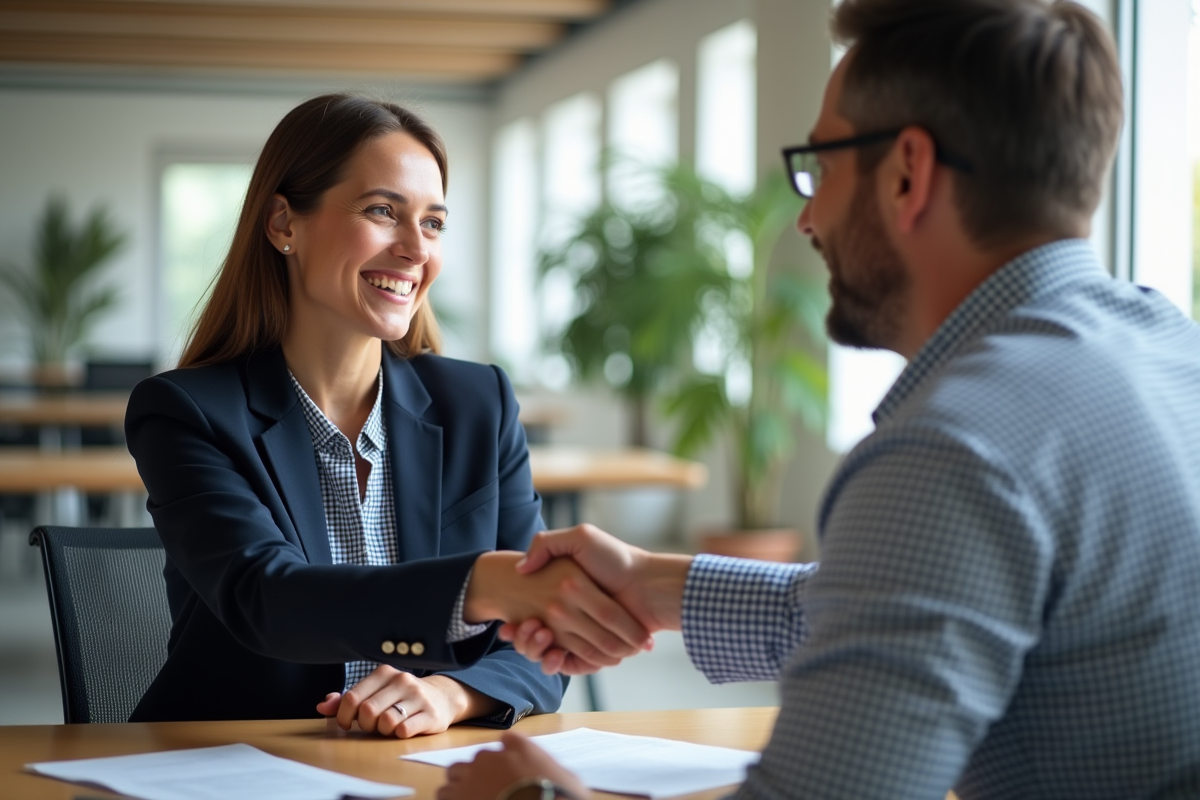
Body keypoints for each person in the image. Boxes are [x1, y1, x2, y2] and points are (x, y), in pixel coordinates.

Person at [438, 0, 1200, 797]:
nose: (806, 216)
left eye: (821, 168)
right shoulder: (1171, 353)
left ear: (908, 172)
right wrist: (656, 583)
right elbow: (919, 611)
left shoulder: (957, 448)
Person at [125, 93, 650, 734]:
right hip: (238, 765)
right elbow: (268, 598)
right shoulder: (186, 412)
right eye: (382, 211)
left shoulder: (477, 404)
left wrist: (453, 696)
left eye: (433, 223)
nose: (414, 249)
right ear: (284, 224)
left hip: (420, 768)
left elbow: (536, 644)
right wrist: (483, 585)